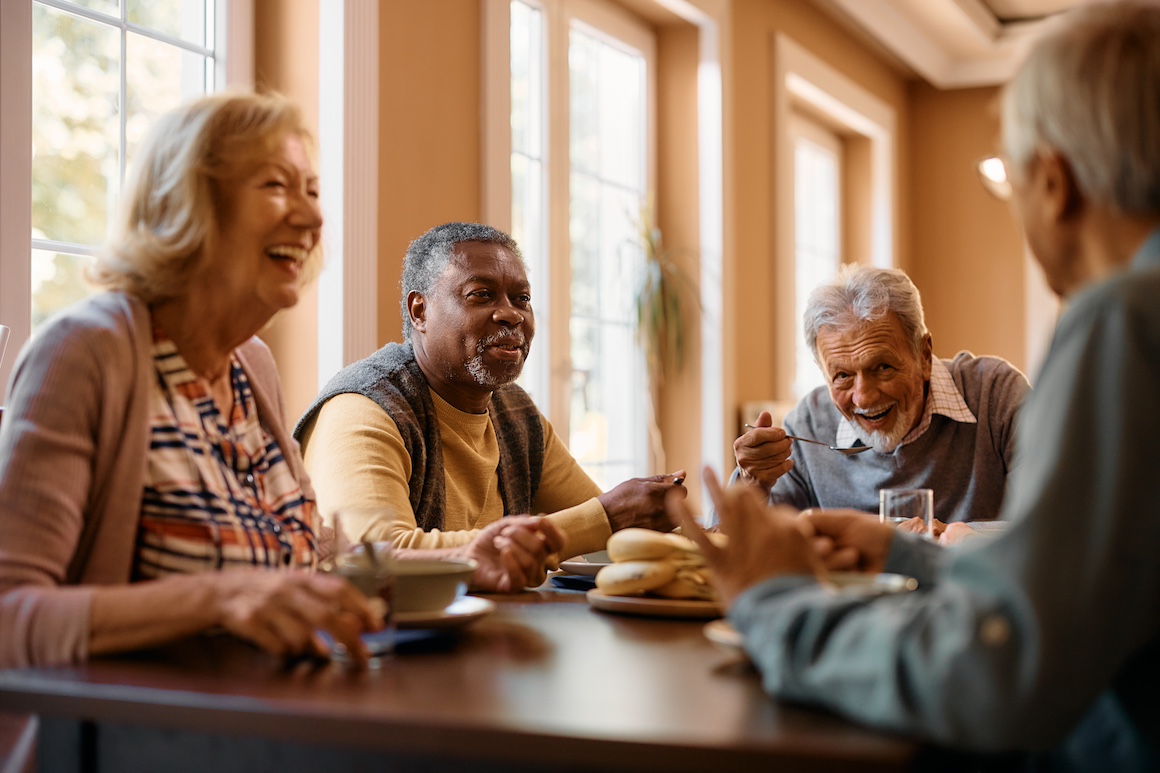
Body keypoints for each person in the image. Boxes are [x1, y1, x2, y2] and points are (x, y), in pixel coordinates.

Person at [672, 1, 1160, 767]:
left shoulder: (1122, 321)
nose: (861, 392)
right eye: (842, 375)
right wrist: (904, 557)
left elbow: (1001, 666)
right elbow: (1087, 585)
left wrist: (774, 609)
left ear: (1053, 183)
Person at [0, 93, 560, 670]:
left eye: (312, 192)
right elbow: (10, 616)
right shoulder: (87, 352)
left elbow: (313, 553)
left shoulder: (251, 364)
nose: (313, 218)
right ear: (187, 202)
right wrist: (218, 600)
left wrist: (466, 555)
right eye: (276, 186)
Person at [295, 222, 685, 559]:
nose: (511, 314)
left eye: (522, 299)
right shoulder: (364, 408)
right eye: (481, 294)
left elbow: (612, 535)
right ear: (420, 312)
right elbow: (377, 555)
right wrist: (605, 518)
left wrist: (744, 483)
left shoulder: (514, 413)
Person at [734, 265, 1029, 525]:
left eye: (883, 367)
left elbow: (1061, 521)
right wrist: (752, 483)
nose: (863, 398)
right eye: (842, 376)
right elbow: (731, 545)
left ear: (924, 355)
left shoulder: (996, 396)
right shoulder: (808, 424)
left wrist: (958, 539)